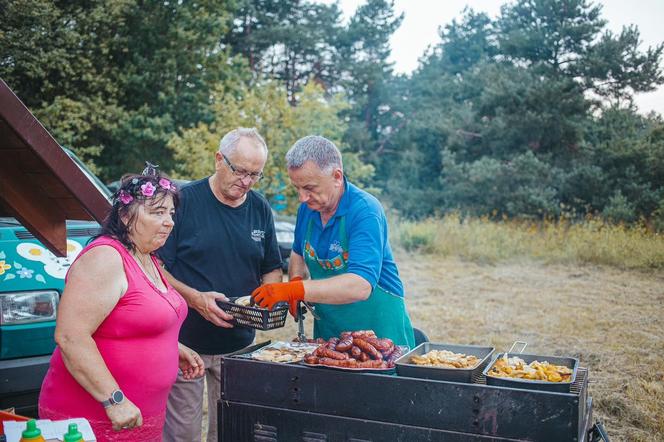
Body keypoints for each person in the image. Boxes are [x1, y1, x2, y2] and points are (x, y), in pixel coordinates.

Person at [39, 166, 205, 442]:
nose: (169, 222)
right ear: (126, 215)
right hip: (95, 417)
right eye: (157, 212)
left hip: (143, 417)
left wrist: (170, 346)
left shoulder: (148, 257)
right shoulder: (105, 257)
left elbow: (129, 321)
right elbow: (71, 336)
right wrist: (114, 399)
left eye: (171, 213)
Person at [158, 128, 283, 442]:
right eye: (239, 170)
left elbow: (271, 268)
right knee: (182, 433)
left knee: (230, 431)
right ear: (218, 159)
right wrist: (196, 298)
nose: (246, 181)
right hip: (186, 343)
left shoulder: (259, 208)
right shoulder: (183, 201)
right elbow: (157, 268)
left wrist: (270, 298)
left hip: (240, 347)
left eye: (255, 174)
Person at [252, 135, 415, 348]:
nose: (302, 198)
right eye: (297, 188)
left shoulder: (365, 211)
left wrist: (295, 290)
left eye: (310, 188)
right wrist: (296, 277)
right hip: (330, 334)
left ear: (337, 176)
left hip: (380, 336)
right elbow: (298, 252)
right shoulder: (308, 210)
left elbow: (360, 286)